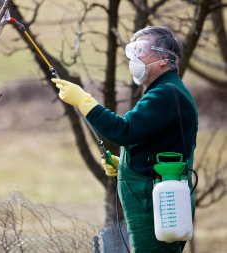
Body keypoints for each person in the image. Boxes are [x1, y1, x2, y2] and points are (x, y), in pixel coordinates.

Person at [51, 26, 198, 253]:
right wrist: (126, 165)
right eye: (132, 50)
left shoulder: (165, 94)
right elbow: (157, 142)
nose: (134, 58)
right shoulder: (166, 91)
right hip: (158, 199)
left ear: (164, 60)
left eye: (141, 50)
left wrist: (84, 101)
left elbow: (125, 131)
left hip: (155, 204)